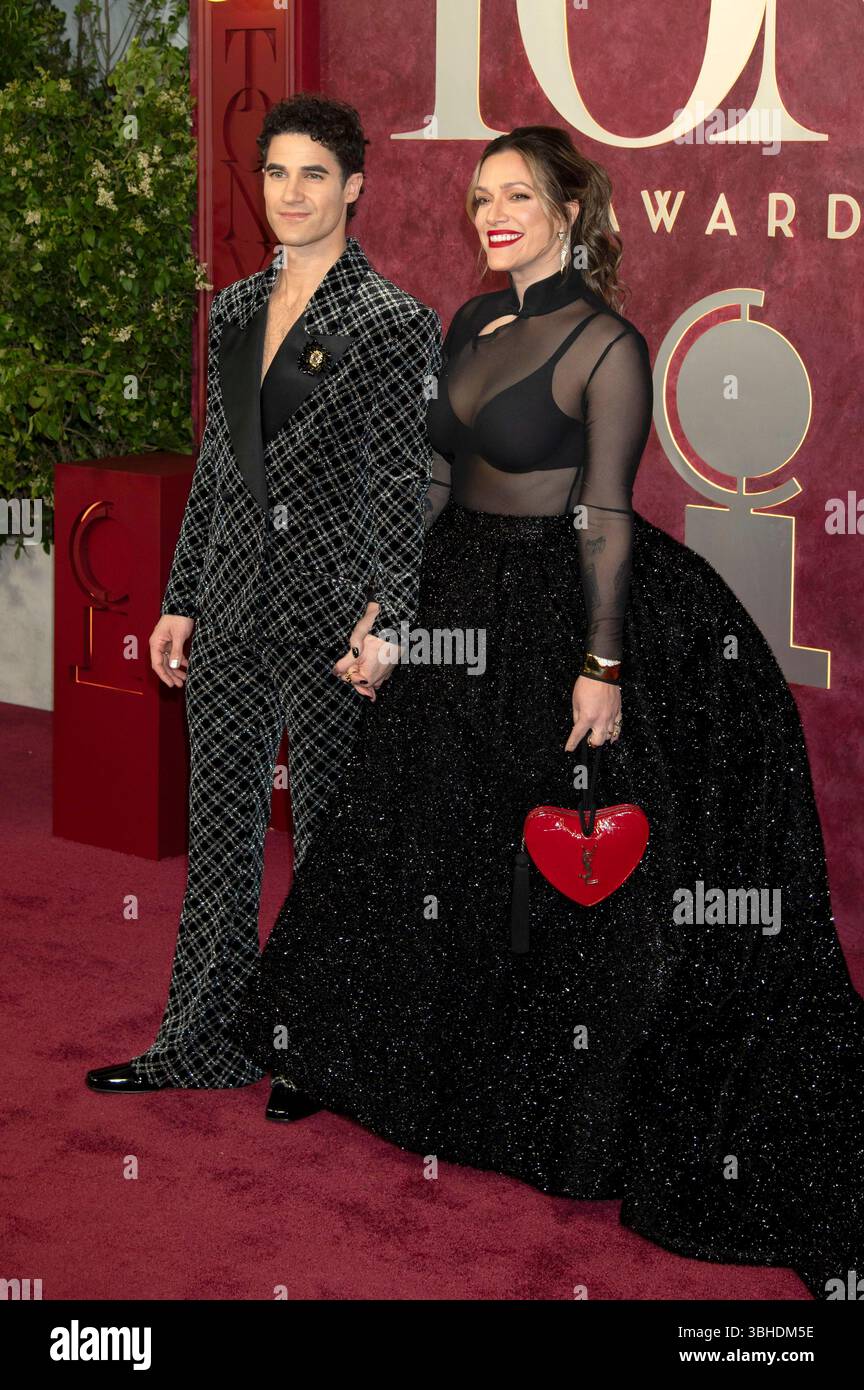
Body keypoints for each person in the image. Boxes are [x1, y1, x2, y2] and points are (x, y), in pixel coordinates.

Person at [230, 126, 864, 1299]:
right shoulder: (472, 324)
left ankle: (574, 1117)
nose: (494, 215)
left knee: (560, 871)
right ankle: (345, 1057)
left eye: (518, 196)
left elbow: (610, 512)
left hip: (559, 605)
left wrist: (604, 665)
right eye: (480, 198)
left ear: (573, 208)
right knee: (412, 832)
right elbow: (430, 484)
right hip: (458, 593)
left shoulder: (604, 343)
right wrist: (391, 618)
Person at [85, 94, 442, 1101]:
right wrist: (180, 596)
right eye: (277, 173)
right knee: (222, 833)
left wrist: (395, 618)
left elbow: (397, 479)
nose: (292, 193)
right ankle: (202, 1038)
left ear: (355, 187)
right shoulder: (235, 306)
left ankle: (320, 1050)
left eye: (314, 175)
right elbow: (216, 470)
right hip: (234, 603)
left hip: (335, 614)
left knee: (330, 840)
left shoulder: (393, 321)